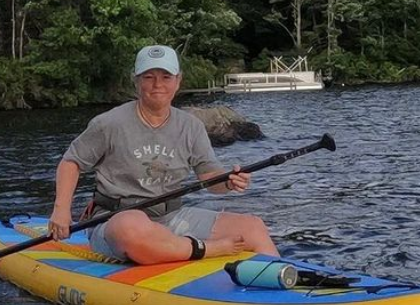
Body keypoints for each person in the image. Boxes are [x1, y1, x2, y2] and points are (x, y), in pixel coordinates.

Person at [48, 45, 279, 264]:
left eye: (166, 77)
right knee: (132, 226)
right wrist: (61, 210)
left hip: (171, 217)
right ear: (136, 81)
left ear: (178, 81)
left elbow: (210, 180)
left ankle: (286, 285)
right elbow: (71, 163)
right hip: (115, 219)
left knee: (253, 227)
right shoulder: (109, 123)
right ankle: (205, 249)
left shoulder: (191, 126)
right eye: (149, 77)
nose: (158, 84)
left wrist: (228, 182)